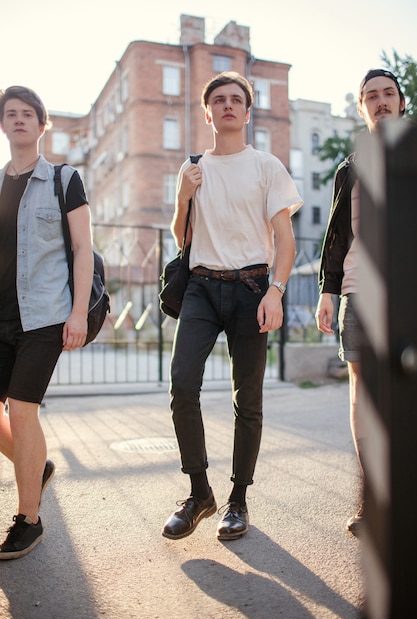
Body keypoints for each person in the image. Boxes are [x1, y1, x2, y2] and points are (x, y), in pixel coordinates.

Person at [162, 71, 303, 541]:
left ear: (247, 110)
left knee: (248, 399)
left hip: (251, 288)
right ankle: (199, 492)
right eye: (218, 100)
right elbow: (180, 235)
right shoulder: (193, 167)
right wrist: (183, 195)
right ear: (208, 113)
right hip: (201, 286)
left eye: (235, 99)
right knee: (182, 384)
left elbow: (285, 240)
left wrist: (275, 291)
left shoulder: (266, 166)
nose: (227, 105)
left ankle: (238, 499)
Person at [0, 86, 94, 559]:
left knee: (21, 409)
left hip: (43, 314)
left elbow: (82, 248)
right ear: (3, 125)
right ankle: (34, 465)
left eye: (27, 113)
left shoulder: (63, 178)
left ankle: (28, 520)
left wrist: (77, 312)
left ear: (42, 124)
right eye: (10, 113)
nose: (18, 119)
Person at [315, 69, 406, 535]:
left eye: (388, 93)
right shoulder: (348, 168)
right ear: (361, 108)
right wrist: (328, 291)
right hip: (358, 290)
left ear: (402, 102)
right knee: (364, 394)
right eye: (371, 96)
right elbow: (337, 234)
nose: (380, 101)